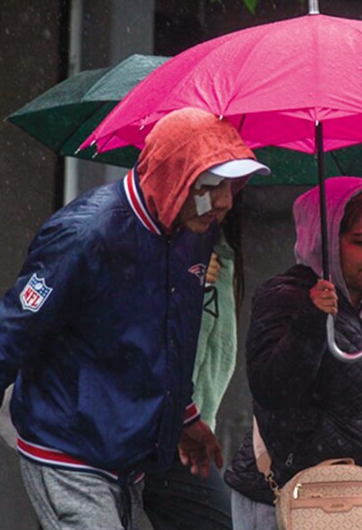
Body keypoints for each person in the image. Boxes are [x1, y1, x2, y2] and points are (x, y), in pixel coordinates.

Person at [0, 107, 269, 529]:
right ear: (171, 176)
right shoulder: (85, 235)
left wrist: (185, 415)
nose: (226, 202)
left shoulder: (194, 228)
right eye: (212, 186)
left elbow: (169, 334)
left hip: (135, 445)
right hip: (68, 445)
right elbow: (5, 335)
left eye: (234, 185)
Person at [224, 177, 362, 528]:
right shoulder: (283, 298)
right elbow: (272, 390)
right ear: (324, 241)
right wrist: (311, 321)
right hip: (280, 497)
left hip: (353, 501)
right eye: (359, 241)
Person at [142, 213, 244, 530]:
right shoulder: (137, 236)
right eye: (211, 186)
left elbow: (217, 353)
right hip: (144, 424)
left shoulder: (221, 254)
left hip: (181, 425)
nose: (225, 199)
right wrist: (180, 271)